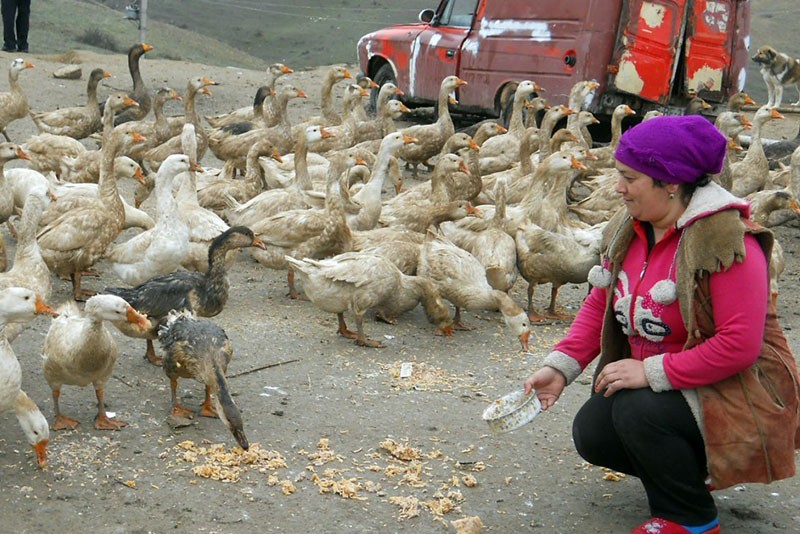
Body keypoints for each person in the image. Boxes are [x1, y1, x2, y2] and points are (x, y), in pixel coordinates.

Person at [523, 114, 800, 534]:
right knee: (594, 429)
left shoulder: (727, 241)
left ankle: (691, 520)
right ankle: (686, 474)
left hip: (741, 390)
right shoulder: (630, 230)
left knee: (638, 409)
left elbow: (739, 345)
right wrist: (560, 367)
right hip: (681, 387)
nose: (618, 187)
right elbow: (602, 304)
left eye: (629, 177)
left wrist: (650, 371)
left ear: (669, 182)